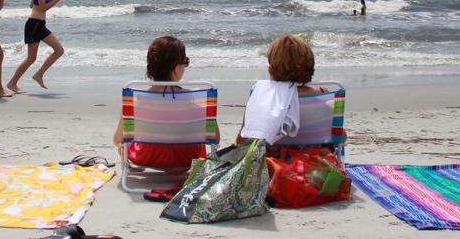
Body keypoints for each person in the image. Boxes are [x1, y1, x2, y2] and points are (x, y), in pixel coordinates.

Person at [111, 35, 213, 168]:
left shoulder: (134, 99)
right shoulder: (198, 99)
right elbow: (214, 138)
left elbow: (118, 140)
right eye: (185, 62)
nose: (185, 67)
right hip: (187, 159)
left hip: (144, 157)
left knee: (124, 145)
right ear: (176, 68)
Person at [235, 34, 329, 144]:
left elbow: (242, 139)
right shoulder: (322, 95)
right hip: (313, 160)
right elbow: (340, 136)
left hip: (272, 160)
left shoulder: (260, 95)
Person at [7, 0, 66, 93]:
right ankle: (12, 83)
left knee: (59, 50)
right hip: (34, 25)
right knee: (31, 58)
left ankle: (38, 74)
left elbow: (32, 5)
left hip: (40, 24)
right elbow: (43, 8)